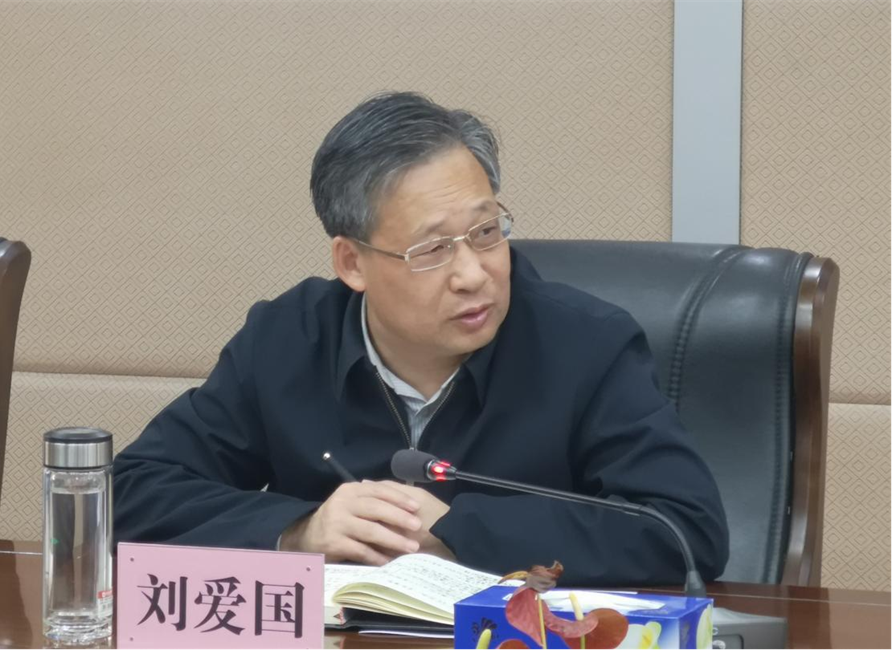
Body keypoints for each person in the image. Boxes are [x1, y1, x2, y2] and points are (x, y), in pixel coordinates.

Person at [114, 92, 729, 586]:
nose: (473, 274)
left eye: (486, 232)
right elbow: (129, 495)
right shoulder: (287, 339)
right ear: (352, 263)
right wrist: (301, 530)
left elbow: (684, 530)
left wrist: (458, 529)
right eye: (432, 249)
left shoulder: (585, 344)